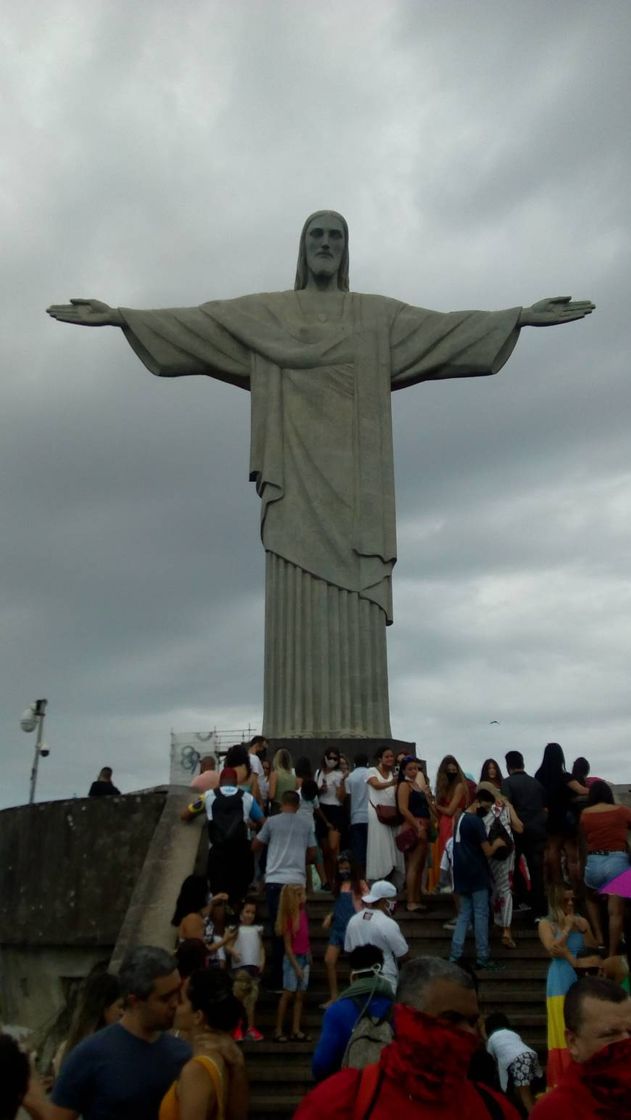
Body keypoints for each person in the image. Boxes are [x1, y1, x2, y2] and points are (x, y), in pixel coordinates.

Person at [47, 214, 594, 743]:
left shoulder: (377, 317)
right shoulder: (268, 315)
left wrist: (519, 316)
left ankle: (359, 726)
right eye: (317, 235)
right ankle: (296, 725)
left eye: (336, 235)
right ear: (303, 247)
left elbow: (446, 330)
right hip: (295, 481)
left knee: (356, 592)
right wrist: (120, 316)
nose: (326, 244)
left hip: (357, 486)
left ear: (346, 248)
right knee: (294, 585)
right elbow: (200, 323)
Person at [294, 956, 520, 1118]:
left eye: (472, 1021)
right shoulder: (338, 1102)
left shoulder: (495, 1108)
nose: (469, 1033)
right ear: (407, 1017)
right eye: (451, 1019)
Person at [50, 946, 191, 1120]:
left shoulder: (184, 1054)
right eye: (165, 998)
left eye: (177, 993)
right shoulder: (89, 1055)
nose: (176, 1004)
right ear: (135, 1001)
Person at [530, 977, 631, 1118]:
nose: (626, 1042)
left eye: (630, 1032)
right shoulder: (553, 1112)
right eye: (610, 1035)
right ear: (573, 1042)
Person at [160, 969, 247, 1120]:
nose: (173, 1005)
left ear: (198, 1016)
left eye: (180, 1000)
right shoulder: (221, 1058)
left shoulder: (196, 1070)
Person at [252, 790, 317, 991]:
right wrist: (298, 859)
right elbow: (313, 853)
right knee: (296, 928)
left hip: (276, 880)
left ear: (281, 804)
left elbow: (255, 845)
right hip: (297, 882)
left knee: (278, 928)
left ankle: (278, 976)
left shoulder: (271, 822)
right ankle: (300, 970)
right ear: (297, 805)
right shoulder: (306, 824)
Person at [537, 884, 598, 1087]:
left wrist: (585, 928)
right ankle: (561, 1081)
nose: (570, 903)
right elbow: (553, 949)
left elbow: (593, 947)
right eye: (565, 900)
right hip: (560, 979)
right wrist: (566, 928)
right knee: (561, 1030)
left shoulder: (580, 920)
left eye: (572, 899)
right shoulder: (546, 924)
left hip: (580, 975)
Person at [181, 767, 264, 905]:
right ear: (236, 782)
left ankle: (220, 926)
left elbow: (185, 815)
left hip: (218, 854)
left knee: (218, 898)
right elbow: (264, 822)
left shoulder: (208, 796)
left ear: (220, 782)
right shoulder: (246, 797)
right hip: (241, 854)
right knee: (239, 896)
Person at [312, 945, 394, 1082]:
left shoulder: (337, 1011)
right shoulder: (397, 1010)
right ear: (380, 968)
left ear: (353, 973)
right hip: (386, 1092)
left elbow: (321, 1064)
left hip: (349, 1089)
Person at [448, 785, 508, 970]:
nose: (487, 810)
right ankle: (483, 955)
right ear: (478, 802)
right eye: (487, 806)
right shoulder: (475, 821)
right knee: (481, 914)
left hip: (460, 872)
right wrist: (498, 843)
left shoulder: (459, 819)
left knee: (464, 914)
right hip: (476, 872)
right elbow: (487, 850)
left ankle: (455, 953)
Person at [579, 778, 631, 957]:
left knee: (589, 897)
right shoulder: (622, 811)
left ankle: (600, 940)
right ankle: (613, 953)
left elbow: (585, 838)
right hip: (618, 862)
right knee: (615, 913)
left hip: (594, 862)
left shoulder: (585, 814)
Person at [534, 742, 588, 888]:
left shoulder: (539, 776)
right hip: (566, 818)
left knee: (553, 850)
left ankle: (557, 883)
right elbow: (582, 791)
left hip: (550, 818)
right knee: (572, 855)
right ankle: (576, 884)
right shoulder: (564, 776)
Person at [477, 780, 523, 950]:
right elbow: (519, 828)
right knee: (505, 889)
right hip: (507, 852)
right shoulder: (505, 806)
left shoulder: (477, 811)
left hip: (488, 853)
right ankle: (506, 929)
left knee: (493, 888)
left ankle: (497, 921)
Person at [502, 751, 548, 918]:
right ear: (523, 763)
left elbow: (506, 805)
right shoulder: (535, 783)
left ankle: (523, 896)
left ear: (508, 766)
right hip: (538, 831)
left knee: (512, 867)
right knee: (536, 871)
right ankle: (539, 910)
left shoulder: (507, 783)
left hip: (517, 832)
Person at [54, 969, 123, 1076]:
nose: (124, 1013)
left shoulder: (67, 1049)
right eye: (120, 1007)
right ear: (104, 1008)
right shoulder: (106, 1051)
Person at [344, 881, 408, 993]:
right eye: (393, 899)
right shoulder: (387, 923)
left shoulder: (353, 920)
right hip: (385, 980)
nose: (395, 902)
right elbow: (403, 955)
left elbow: (349, 951)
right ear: (384, 901)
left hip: (359, 980)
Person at [322, 852, 368, 1006]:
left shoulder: (360, 885)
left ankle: (353, 995)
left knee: (354, 965)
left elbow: (367, 905)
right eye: (341, 868)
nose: (344, 871)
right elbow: (338, 905)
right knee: (329, 960)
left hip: (353, 929)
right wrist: (330, 916)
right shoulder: (339, 885)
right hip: (338, 928)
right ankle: (334, 996)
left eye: (346, 868)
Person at [484, 1011, 543, 1115]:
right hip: (530, 1054)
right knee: (527, 1090)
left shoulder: (491, 1040)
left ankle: (534, 1116)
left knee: (525, 1095)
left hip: (519, 1061)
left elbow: (490, 1059)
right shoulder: (513, 1034)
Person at [274, 884, 311, 1042]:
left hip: (304, 956)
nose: (302, 897)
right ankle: (278, 1029)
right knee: (288, 993)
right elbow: (288, 947)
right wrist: (296, 966)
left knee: (300, 995)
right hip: (292, 960)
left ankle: (296, 1029)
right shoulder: (288, 919)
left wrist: (308, 953)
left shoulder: (302, 913)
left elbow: (305, 937)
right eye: (298, 895)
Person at [226, 896, 265, 1041]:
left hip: (253, 969)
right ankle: (237, 1026)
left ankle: (250, 1027)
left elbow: (261, 947)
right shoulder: (235, 929)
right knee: (239, 999)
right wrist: (233, 952)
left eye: (252, 912)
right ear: (241, 912)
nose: (250, 915)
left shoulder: (257, 929)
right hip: (240, 970)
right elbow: (228, 944)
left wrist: (262, 960)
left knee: (251, 1001)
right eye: (247, 912)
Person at [395, 756, 430, 912]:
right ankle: (411, 900)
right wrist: (417, 826)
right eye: (410, 768)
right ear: (403, 770)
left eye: (415, 768)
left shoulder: (416, 785)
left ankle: (416, 898)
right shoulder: (404, 785)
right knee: (414, 865)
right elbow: (403, 808)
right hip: (414, 825)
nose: (414, 771)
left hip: (422, 824)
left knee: (420, 864)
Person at [366, 747, 405, 884]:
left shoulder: (395, 774)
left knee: (394, 846)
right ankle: (378, 877)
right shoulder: (371, 771)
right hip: (376, 812)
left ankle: (392, 879)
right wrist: (391, 782)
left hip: (392, 813)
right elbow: (375, 785)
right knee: (380, 844)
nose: (390, 759)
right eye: (387, 756)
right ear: (380, 758)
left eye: (391, 756)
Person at [315, 749, 348, 885]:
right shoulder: (318, 773)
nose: (333, 760)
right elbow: (315, 794)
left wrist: (341, 784)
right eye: (331, 757)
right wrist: (320, 790)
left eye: (336, 758)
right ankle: (328, 881)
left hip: (335, 811)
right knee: (325, 850)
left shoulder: (338, 775)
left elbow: (341, 798)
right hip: (321, 810)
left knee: (334, 848)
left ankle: (339, 879)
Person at [434, 755, 469, 868]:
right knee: (445, 857)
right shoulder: (444, 788)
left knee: (452, 855)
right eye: (449, 770)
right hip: (444, 823)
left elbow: (450, 811)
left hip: (453, 822)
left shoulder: (459, 786)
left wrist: (437, 806)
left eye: (454, 770)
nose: (452, 772)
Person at [343, 754, 370, 873]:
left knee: (358, 850)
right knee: (371, 850)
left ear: (354, 764)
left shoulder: (350, 778)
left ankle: (360, 876)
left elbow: (348, 798)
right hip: (371, 817)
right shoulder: (372, 775)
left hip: (356, 817)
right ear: (368, 763)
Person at [268, 748, 298, 814]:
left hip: (277, 808)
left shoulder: (274, 774)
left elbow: (271, 796)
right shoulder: (293, 777)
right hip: (291, 809)